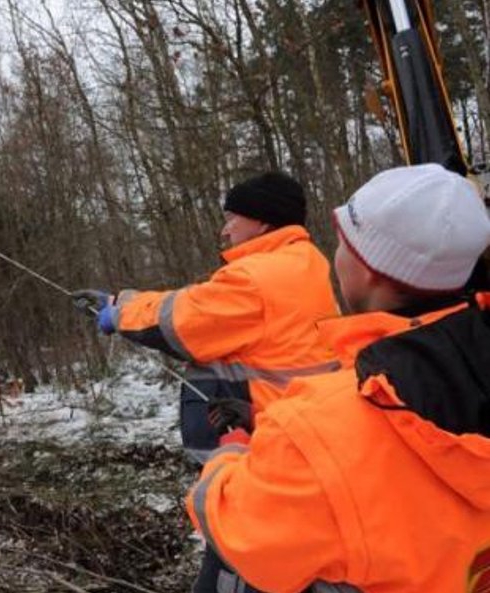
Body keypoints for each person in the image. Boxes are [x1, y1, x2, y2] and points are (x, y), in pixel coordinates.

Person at [186, 164, 490, 592]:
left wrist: (231, 453)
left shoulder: (316, 430)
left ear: (366, 268)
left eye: (344, 241)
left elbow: (240, 534)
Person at [75, 172, 340, 592]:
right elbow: (199, 305)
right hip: (305, 441)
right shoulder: (308, 263)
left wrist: (118, 313)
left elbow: (181, 319)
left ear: (263, 222)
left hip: (264, 451)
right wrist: (120, 302)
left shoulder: (256, 277)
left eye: (233, 217)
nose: (225, 228)